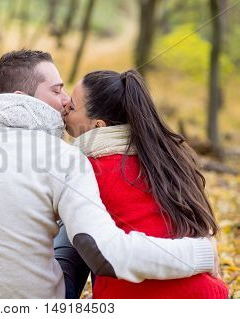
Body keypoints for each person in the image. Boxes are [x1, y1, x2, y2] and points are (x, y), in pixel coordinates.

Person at [0, 50, 217, 298]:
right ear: (22, 97)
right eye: (57, 90)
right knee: (80, 223)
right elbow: (106, 253)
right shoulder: (66, 158)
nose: (66, 101)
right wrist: (201, 251)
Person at [62, 69, 228, 298]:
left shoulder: (88, 169)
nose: (63, 109)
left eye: (71, 106)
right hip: (207, 293)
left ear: (98, 126)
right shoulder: (164, 160)